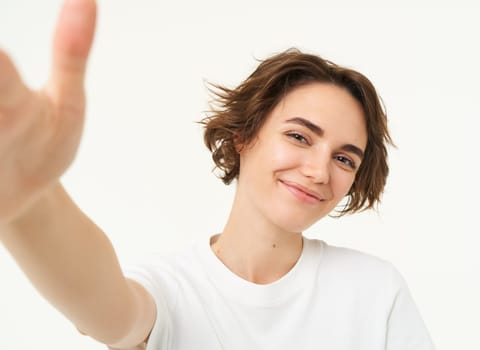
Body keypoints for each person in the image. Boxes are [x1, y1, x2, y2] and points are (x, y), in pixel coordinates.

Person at [0, 0, 435, 349]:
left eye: (344, 159)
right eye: (300, 137)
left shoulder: (375, 292)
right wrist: (33, 201)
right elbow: (109, 311)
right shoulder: (172, 288)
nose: (319, 171)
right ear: (244, 136)